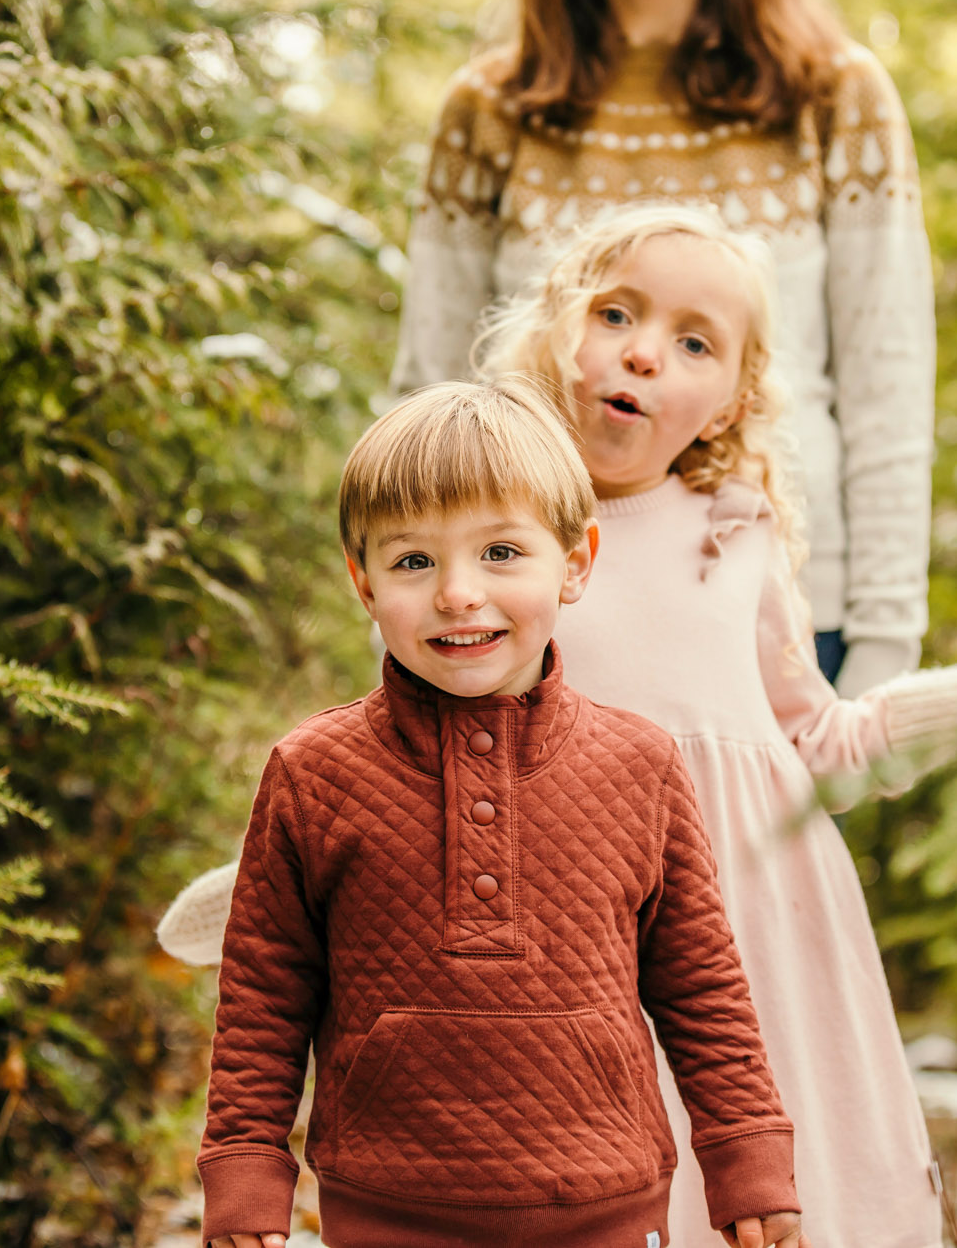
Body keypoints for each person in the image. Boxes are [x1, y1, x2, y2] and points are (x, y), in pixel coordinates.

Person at [472, 206, 957, 1248]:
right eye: (615, 312)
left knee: (776, 1185)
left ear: (730, 398)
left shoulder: (735, 534)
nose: (642, 349)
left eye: (692, 341)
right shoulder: (490, 538)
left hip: (758, 921)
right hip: (575, 940)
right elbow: (413, 760)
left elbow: (818, 744)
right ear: (553, 326)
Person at [195, 377, 807, 1248]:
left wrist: (747, 1160)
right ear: (362, 582)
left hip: (607, 1199)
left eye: (502, 554)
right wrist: (246, 1171)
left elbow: (701, 984)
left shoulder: (641, 764)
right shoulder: (313, 770)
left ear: (578, 562)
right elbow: (264, 992)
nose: (457, 594)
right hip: (387, 1206)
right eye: (413, 561)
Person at [392, 0, 936, 694]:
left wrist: (885, 642)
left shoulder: (835, 96)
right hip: (528, 625)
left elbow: (890, 386)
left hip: (789, 619)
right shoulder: (492, 107)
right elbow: (432, 392)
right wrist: (409, 618)